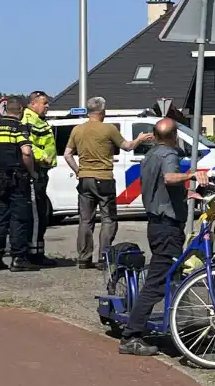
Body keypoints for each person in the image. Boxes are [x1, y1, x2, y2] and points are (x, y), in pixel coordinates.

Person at [119, 117, 207, 356]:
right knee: (157, 282)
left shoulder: (150, 155)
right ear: (174, 136)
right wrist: (191, 176)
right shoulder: (169, 155)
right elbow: (169, 178)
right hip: (167, 228)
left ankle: (179, 326)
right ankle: (132, 335)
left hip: (156, 224)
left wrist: (185, 195)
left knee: (169, 277)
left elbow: (161, 186)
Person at [63, 96, 153, 269]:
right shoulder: (108, 129)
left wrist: (78, 171)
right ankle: (104, 257)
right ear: (102, 111)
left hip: (84, 179)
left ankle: (84, 258)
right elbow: (128, 146)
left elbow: (68, 154)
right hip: (103, 178)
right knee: (108, 219)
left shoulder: (77, 130)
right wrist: (140, 139)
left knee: (85, 220)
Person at [0, 97, 39, 273]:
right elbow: (26, 152)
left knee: (0, 218)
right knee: (19, 219)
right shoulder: (19, 128)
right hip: (17, 178)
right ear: (20, 110)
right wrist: (32, 171)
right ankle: (18, 259)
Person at [22, 91, 57, 266]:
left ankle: (38, 251)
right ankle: (34, 255)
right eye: (44, 103)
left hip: (41, 171)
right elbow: (26, 144)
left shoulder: (38, 119)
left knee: (41, 214)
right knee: (36, 215)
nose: (47, 106)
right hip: (35, 171)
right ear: (33, 104)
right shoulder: (28, 119)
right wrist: (42, 156)